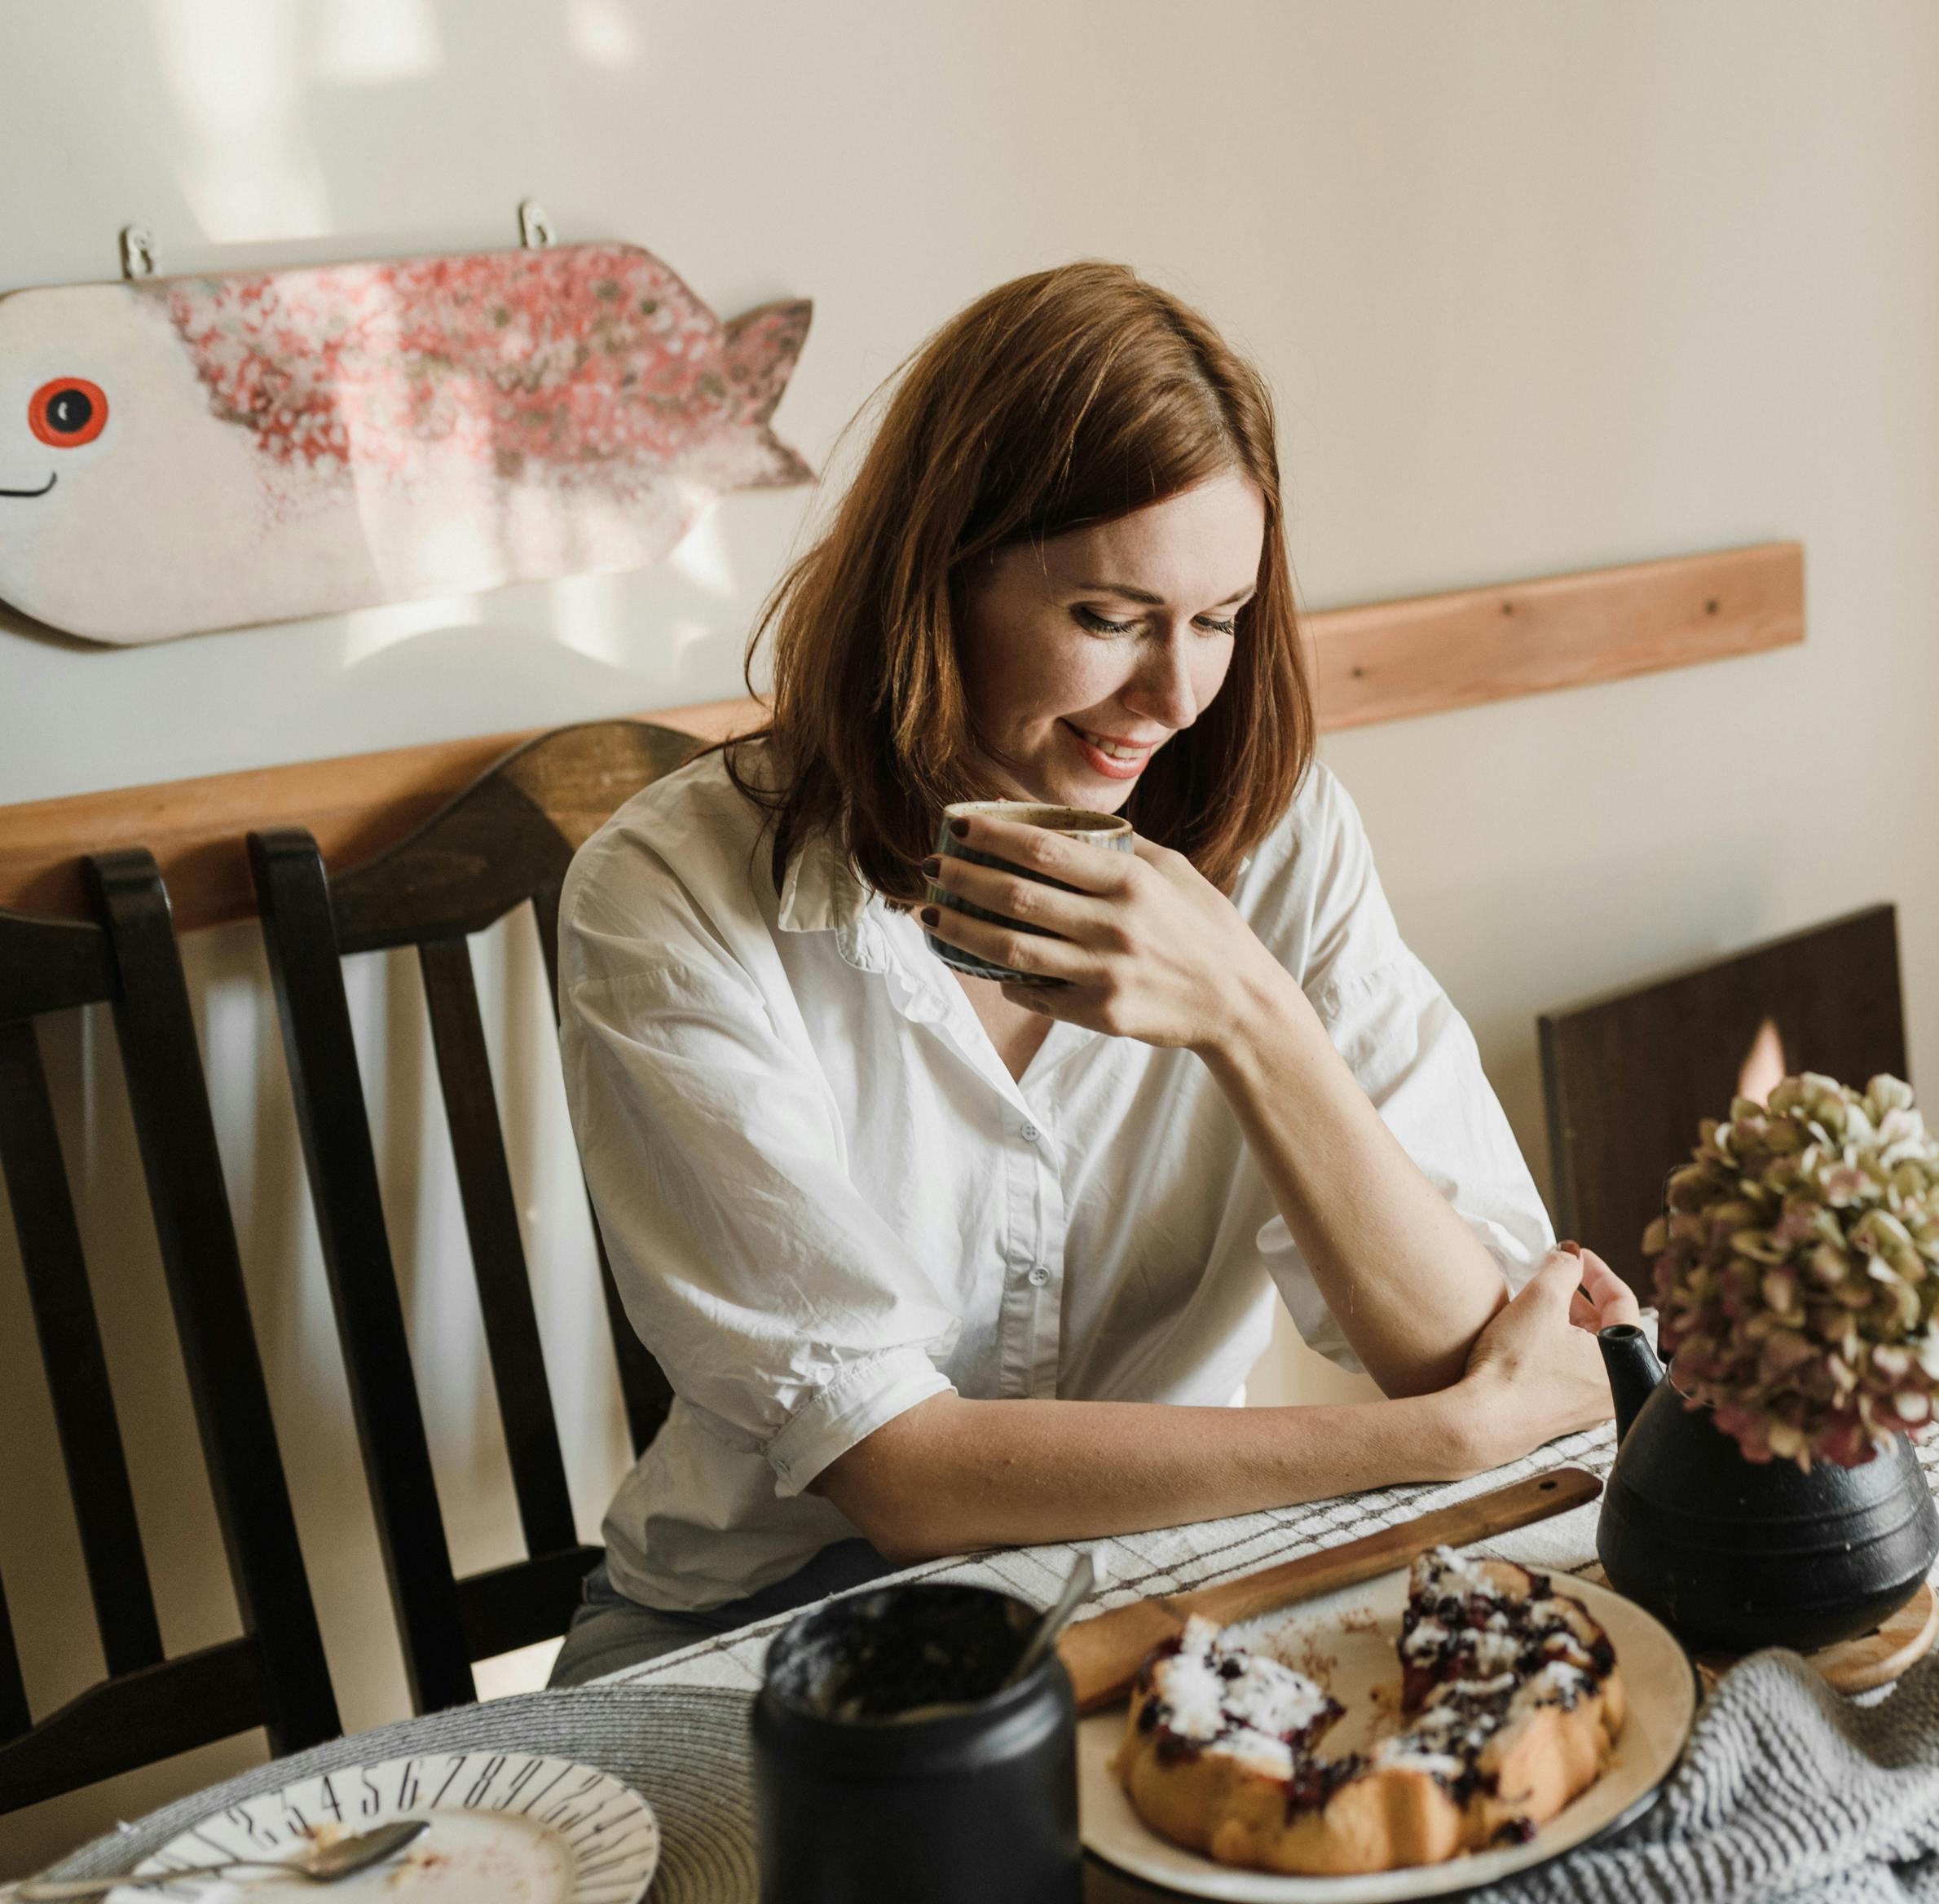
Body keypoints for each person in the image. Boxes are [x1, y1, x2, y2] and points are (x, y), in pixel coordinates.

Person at [545, 262, 1638, 1685]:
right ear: (939, 578)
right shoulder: (665, 892)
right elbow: (903, 1473)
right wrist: (1427, 1448)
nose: (1179, 698)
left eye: (1223, 618)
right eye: (1113, 618)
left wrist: (1248, 1016)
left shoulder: (1280, 832)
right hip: (761, 1628)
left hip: (1160, 1592)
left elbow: (1476, 1348)